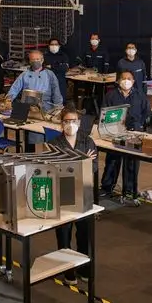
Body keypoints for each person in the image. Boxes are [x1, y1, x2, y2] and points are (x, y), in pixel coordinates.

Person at [48, 106, 98, 285]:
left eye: (74, 121)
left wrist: (74, 164)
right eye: (67, 121)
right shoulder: (54, 144)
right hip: (63, 194)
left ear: (79, 122)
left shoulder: (87, 141)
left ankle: (84, 268)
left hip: (83, 193)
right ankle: (67, 270)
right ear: (62, 123)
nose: (71, 124)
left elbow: (93, 167)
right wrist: (82, 161)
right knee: (64, 234)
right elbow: (54, 170)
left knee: (84, 234)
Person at [100, 70, 149, 204]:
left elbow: (146, 112)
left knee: (132, 163)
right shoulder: (110, 96)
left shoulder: (140, 96)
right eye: (123, 78)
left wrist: (138, 125)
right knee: (112, 162)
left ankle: (129, 191)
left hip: (134, 134)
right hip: (115, 133)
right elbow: (104, 112)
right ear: (118, 81)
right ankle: (107, 188)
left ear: (133, 81)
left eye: (129, 78)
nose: (126, 81)